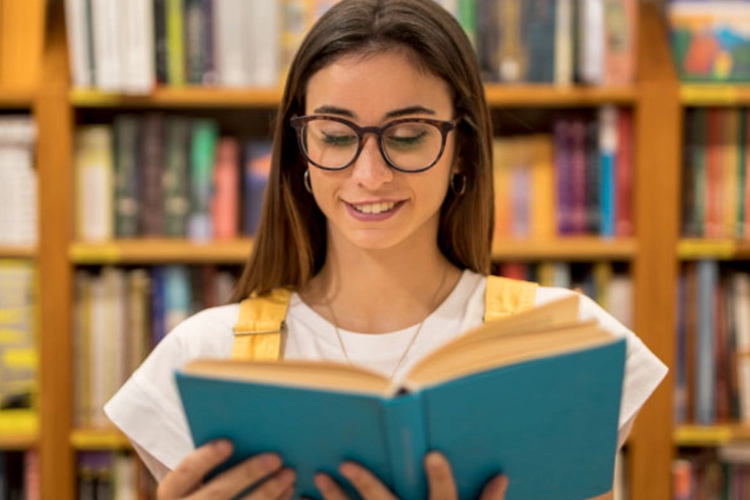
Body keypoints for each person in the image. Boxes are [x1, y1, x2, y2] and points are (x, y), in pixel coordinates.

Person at [105, 0, 668, 498]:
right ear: (300, 151)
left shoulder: (563, 344)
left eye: (406, 135)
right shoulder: (203, 357)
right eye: (335, 135)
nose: (369, 175)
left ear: (462, 149)